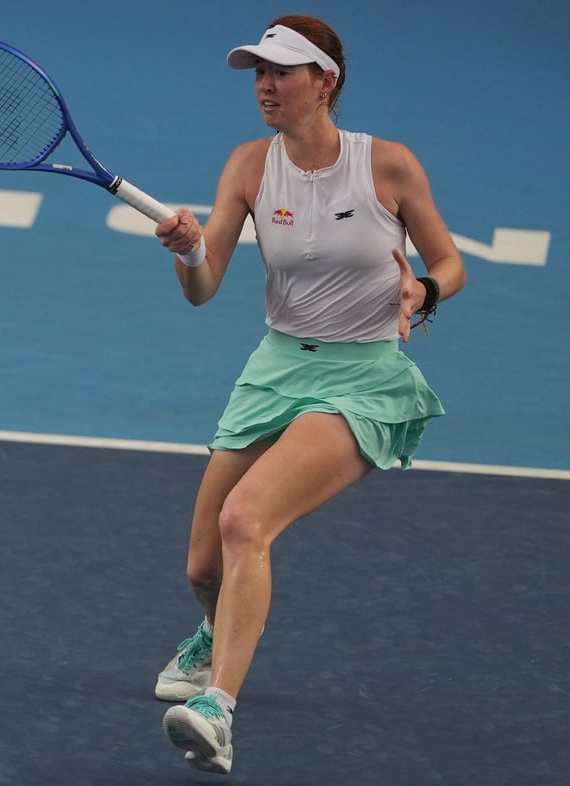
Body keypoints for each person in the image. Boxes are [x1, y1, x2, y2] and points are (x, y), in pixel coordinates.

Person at [151, 14, 466, 775]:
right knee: (201, 568)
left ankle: (217, 711)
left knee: (245, 518)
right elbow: (203, 289)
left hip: (361, 376)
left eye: (283, 71)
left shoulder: (388, 166)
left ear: (325, 82)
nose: (265, 84)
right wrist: (189, 253)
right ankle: (213, 636)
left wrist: (421, 291)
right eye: (258, 71)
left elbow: (451, 262)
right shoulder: (249, 167)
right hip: (277, 368)